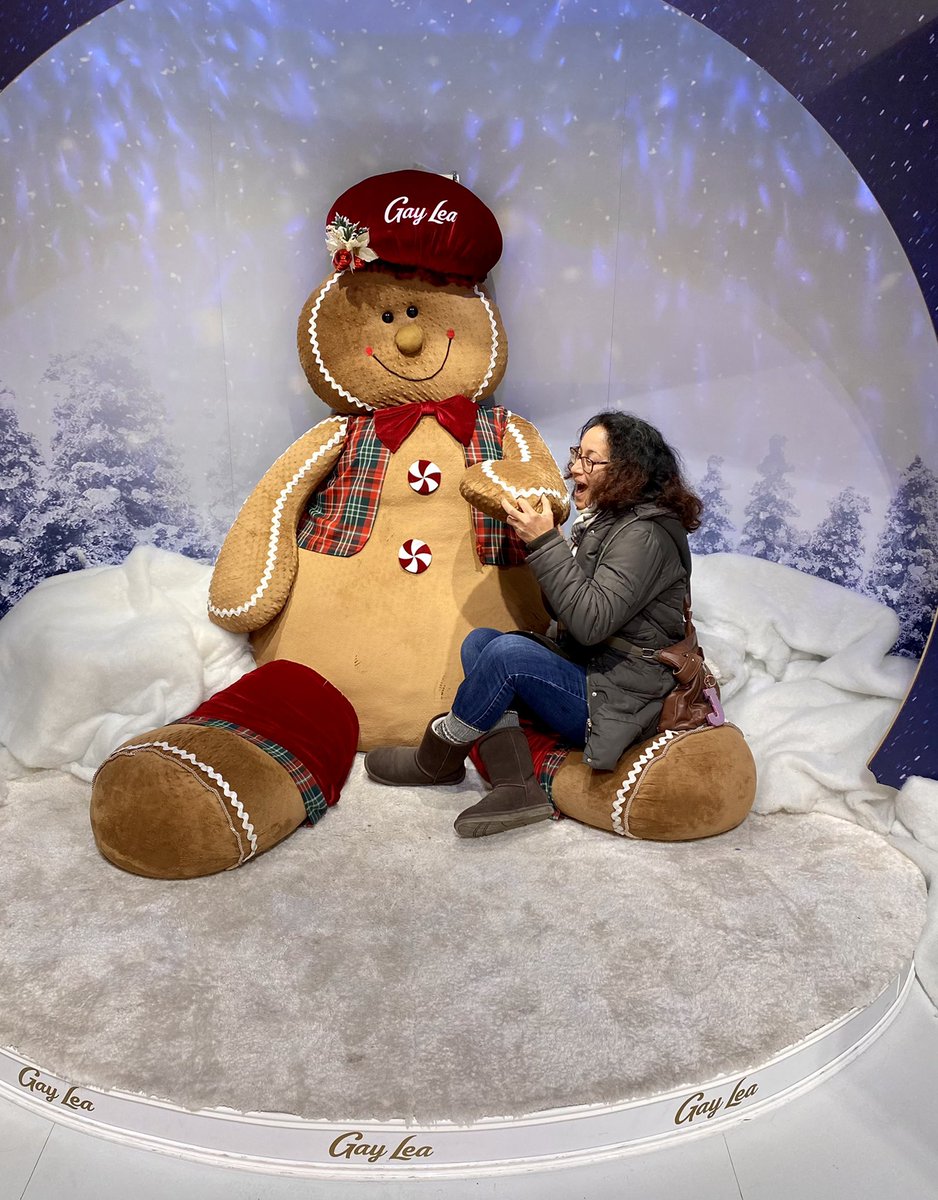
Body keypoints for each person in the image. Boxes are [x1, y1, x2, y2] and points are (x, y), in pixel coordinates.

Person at [364, 410, 703, 837]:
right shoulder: (607, 524)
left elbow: (588, 624)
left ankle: (439, 756)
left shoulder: (645, 536)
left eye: (590, 460)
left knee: (507, 655)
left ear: (627, 472)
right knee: (481, 643)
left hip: (625, 698)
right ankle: (516, 785)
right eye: (577, 454)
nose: (574, 467)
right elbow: (565, 610)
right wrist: (553, 544)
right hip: (595, 669)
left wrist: (545, 543)